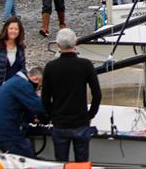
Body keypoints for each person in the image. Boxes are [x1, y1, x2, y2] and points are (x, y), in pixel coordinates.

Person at [42, 28, 102, 163]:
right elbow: (97, 94)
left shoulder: (50, 67)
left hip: (60, 122)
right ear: (75, 42)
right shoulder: (85, 65)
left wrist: (51, 115)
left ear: (58, 45)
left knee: (61, 163)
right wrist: (90, 114)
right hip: (80, 120)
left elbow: (45, 98)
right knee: (82, 163)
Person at [0, 66, 47, 158]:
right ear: (36, 79)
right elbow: (38, 107)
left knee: (23, 156)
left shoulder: (15, 81)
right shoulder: (22, 85)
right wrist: (48, 118)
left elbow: (22, 107)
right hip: (8, 134)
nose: (38, 89)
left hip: (3, 131)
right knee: (26, 159)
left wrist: (32, 118)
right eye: (40, 86)